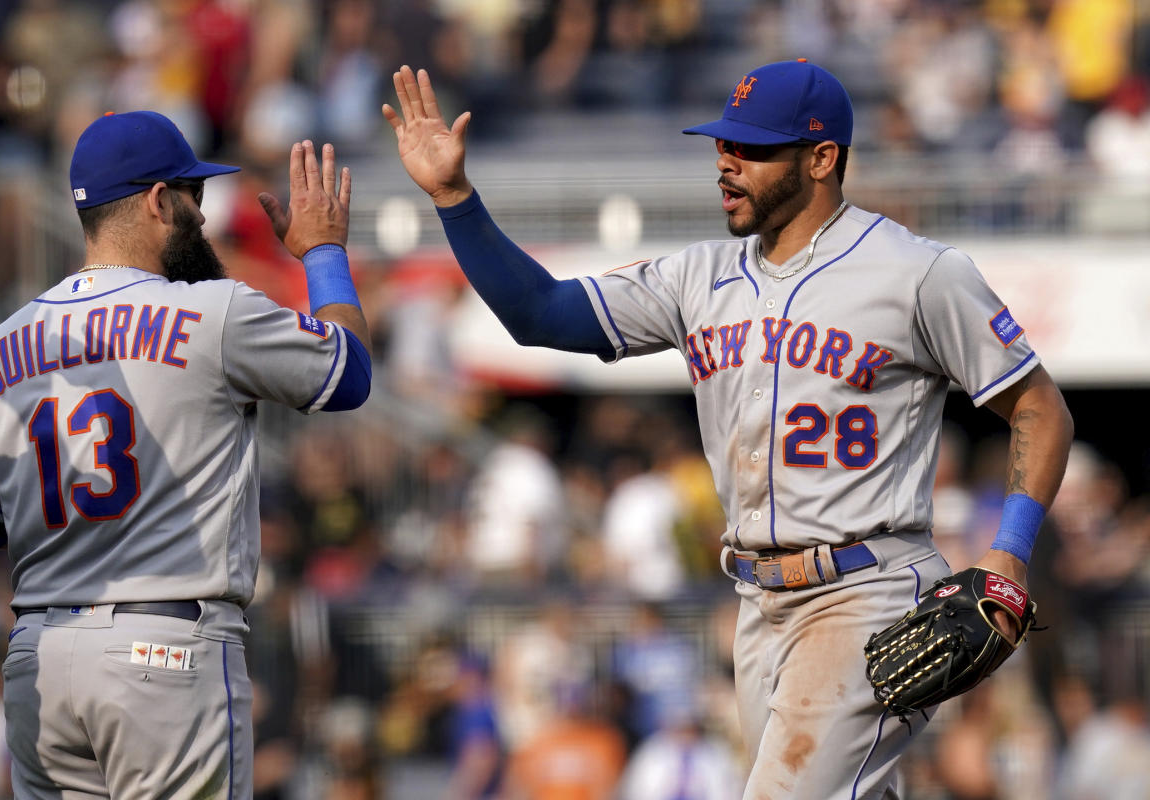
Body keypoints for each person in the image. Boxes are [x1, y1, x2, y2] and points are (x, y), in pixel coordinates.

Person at [382, 61, 1074, 797]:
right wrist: (454, 198)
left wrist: (1011, 553)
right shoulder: (698, 278)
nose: (726, 162)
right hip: (756, 604)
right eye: (722, 145)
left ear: (821, 158)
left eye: (751, 149)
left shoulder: (917, 273)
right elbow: (540, 314)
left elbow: (1040, 408)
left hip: (868, 592)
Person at [0, 110, 371, 797]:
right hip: (166, 655)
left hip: (39, 660)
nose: (200, 216)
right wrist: (323, 253)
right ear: (156, 200)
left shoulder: (1, 347)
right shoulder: (213, 312)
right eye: (192, 196)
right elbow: (348, 376)